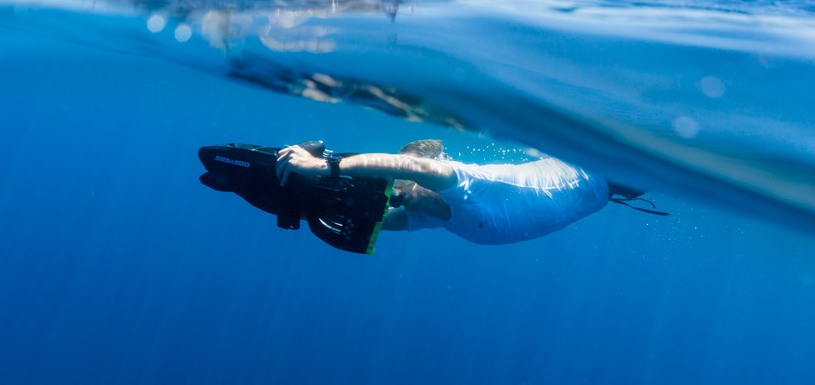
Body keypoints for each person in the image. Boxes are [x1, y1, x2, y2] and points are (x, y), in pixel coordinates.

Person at [275, 139, 646, 245]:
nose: (400, 195)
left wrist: (325, 167)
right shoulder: (442, 212)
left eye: (402, 188)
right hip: (601, 187)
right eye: (399, 192)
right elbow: (383, 220)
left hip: (600, 172)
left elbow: (411, 167)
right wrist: (315, 209)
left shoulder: (470, 185)